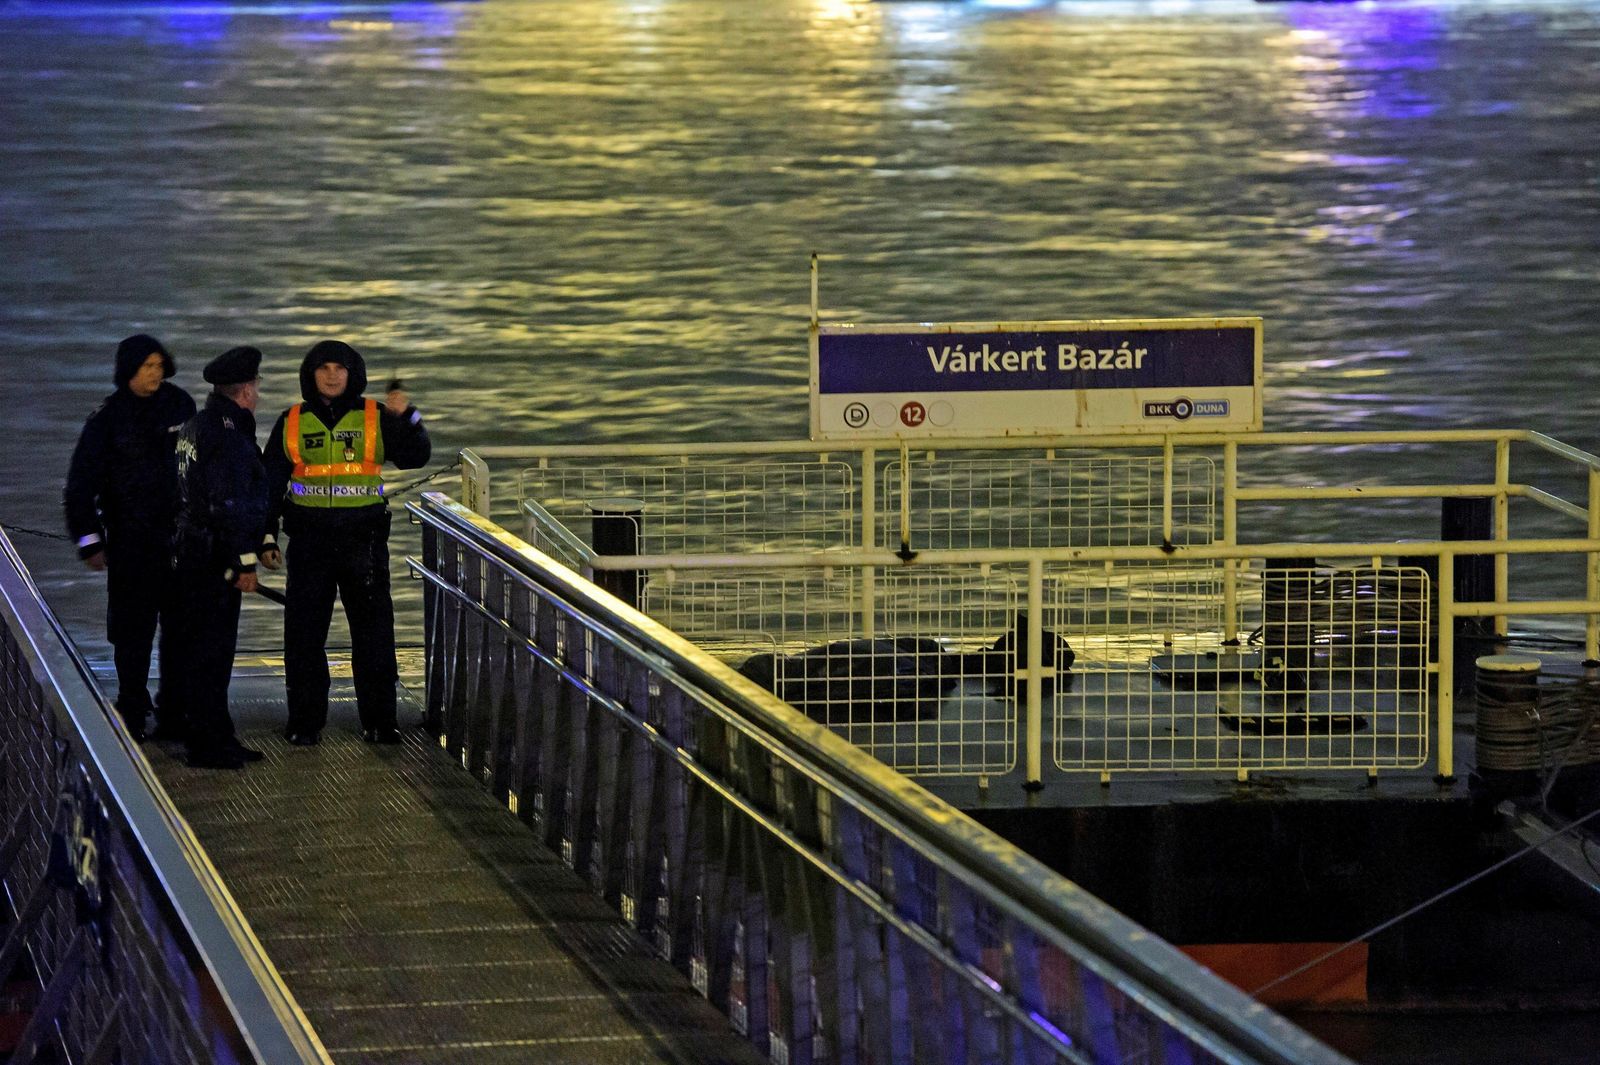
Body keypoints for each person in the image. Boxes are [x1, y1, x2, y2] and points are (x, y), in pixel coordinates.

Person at [263, 340, 431, 746]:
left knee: (374, 635)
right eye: (324, 368)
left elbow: (417, 455)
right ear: (311, 374)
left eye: (340, 367)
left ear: (353, 372)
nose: (333, 375)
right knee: (303, 636)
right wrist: (266, 537)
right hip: (308, 542)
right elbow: (268, 485)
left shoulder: (377, 416)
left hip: (364, 541)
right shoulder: (292, 420)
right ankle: (304, 723)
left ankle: (380, 722)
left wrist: (407, 414)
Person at [63, 334, 196, 741]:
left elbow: (201, 465)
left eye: (158, 365)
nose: (154, 373)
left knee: (180, 629)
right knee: (131, 632)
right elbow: (80, 485)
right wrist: (90, 541)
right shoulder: (106, 419)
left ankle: (173, 709)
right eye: (146, 366)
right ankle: (133, 707)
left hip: (179, 540)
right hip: (130, 541)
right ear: (128, 371)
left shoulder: (181, 405)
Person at [172, 346, 276, 769]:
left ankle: (214, 734)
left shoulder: (195, 426)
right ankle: (209, 744)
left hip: (192, 554)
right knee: (213, 654)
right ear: (247, 390)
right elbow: (230, 504)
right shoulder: (230, 436)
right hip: (215, 561)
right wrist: (243, 563)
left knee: (199, 651)